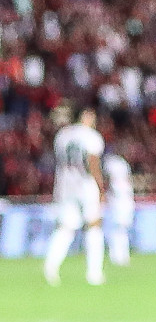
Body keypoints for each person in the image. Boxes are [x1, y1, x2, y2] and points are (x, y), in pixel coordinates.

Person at [43, 105, 105, 287]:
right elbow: (92, 162)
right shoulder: (92, 136)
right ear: (85, 117)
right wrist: (100, 187)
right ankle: (94, 273)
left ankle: (50, 267)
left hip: (65, 185)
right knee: (93, 225)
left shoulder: (63, 135)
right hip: (85, 184)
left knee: (65, 227)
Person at [102, 145, 136, 267]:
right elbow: (107, 180)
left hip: (123, 197)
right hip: (117, 198)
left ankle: (121, 256)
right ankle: (117, 256)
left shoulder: (120, 163)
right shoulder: (112, 162)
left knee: (121, 229)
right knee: (117, 229)